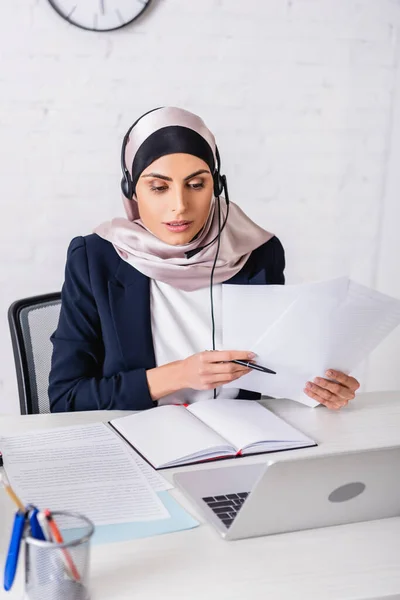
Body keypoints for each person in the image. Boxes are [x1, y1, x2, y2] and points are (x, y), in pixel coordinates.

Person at [49, 107, 359, 413]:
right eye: (158, 188)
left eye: (196, 185)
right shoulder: (95, 258)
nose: (179, 206)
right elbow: (66, 398)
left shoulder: (258, 252)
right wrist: (179, 375)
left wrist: (319, 389)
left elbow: (273, 369)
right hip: (139, 442)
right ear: (131, 190)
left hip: (238, 441)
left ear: (217, 185)